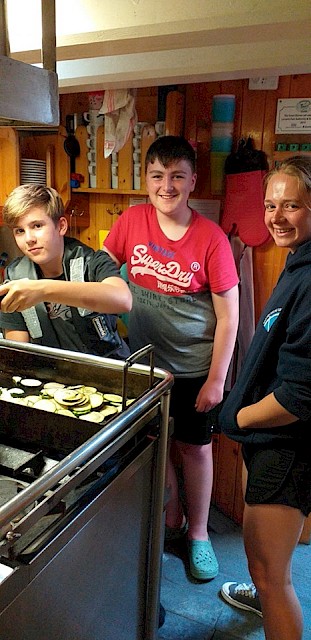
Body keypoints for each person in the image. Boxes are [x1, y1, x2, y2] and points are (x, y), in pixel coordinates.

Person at [104, 135, 239, 580]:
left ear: (193, 181)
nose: (167, 186)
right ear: (146, 179)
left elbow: (229, 317)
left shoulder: (212, 239)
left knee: (195, 449)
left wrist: (216, 380)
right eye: (158, 176)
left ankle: (198, 534)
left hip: (193, 370)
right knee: (155, 444)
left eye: (177, 176)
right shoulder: (130, 221)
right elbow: (102, 272)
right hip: (142, 364)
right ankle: (173, 510)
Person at [219, 155, 311, 640]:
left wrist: (240, 417)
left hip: (288, 448)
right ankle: (263, 593)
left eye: (291, 205)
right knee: (269, 566)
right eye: (270, 204)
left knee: (272, 577)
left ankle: (268, 596)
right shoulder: (299, 261)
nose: (276, 217)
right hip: (273, 443)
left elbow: (300, 396)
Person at [0, 184, 132, 359]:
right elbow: (18, 351)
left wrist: (41, 290)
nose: (29, 239)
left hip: (106, 371)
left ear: (61, 226)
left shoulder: (93, 262)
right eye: (20, 231)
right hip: (51, 377)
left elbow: (123, 300)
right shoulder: (14, 276)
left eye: (37, 226)